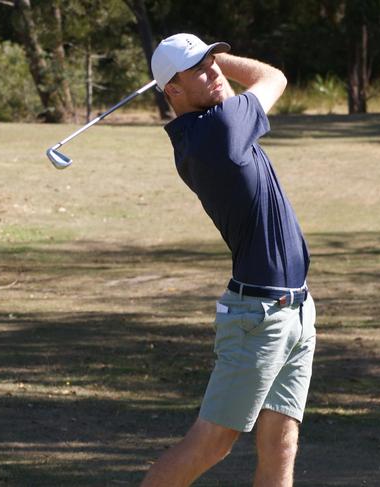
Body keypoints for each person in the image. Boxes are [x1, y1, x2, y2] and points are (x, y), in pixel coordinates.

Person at [141, 33, 317, 487]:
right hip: (259, 315)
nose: (214, 71)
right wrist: (226, 55)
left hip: (293, 309)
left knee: (282, 443)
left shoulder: (205, 128)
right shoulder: (218, 131)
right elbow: (272, 77)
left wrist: (207, 60)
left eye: (212, 61)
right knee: (211, 443)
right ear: (173, 91)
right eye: (198, 68)